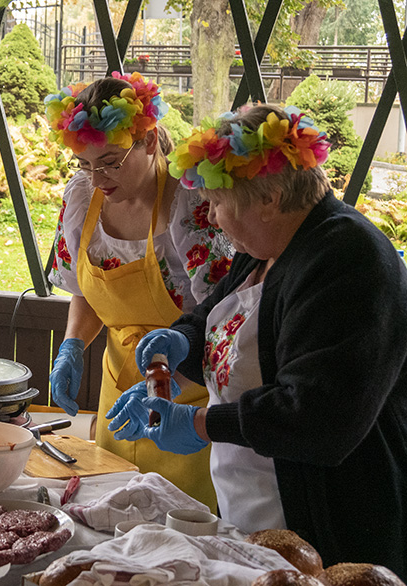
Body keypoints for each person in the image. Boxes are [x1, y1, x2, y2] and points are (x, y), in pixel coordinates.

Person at [106, 104, 407, 577]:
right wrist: (179, 344)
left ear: (269, 198)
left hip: (328, 524)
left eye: (220, 203)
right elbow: (209, 318)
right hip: (250, 510)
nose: (213, 217)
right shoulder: (263, 250)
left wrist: (201, 423)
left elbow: (320, 414)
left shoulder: (351, 258)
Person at [44, 72, 233, 508]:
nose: (97, 179)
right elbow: (84, 290)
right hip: (120, 392)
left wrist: (167, 384)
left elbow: (223, 318)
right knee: (114, 513)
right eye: (85, 164)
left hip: (187, 398)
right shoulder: (81, 199)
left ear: (148, 141)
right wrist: (72, 346)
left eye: (110, 162)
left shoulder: (189, 204)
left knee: (184, 520)